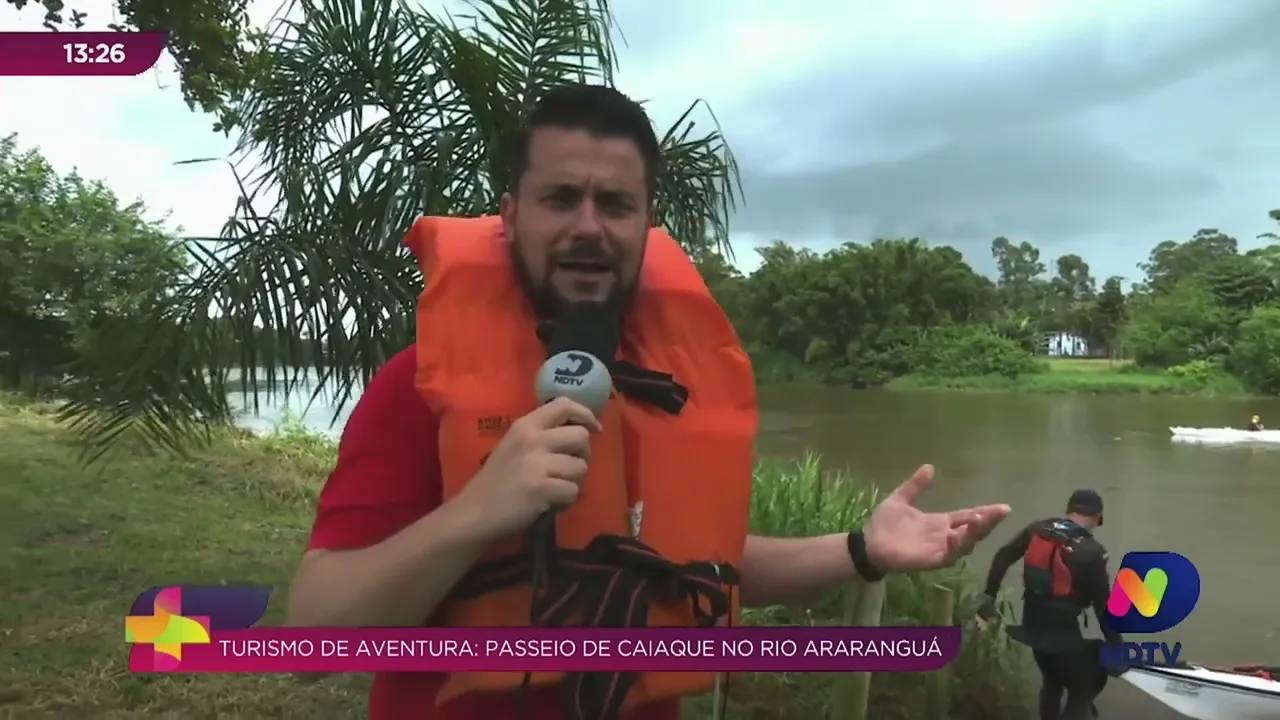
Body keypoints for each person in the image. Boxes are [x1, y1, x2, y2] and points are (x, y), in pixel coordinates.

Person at [285, 83, 1012, 720]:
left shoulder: (670, 389)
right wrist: (477, 513)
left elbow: (692, 562)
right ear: (511, 215)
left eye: (615, 204)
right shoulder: (415, 387)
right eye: (561, 198)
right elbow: (313, 639)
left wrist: (860, 549)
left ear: (643, 223)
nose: (588, 227)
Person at [975, 490, 1121, 720]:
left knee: (1053, 681)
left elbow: (1003, 556)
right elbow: (1103, 605)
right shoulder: (1092, 551)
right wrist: (1116, 645)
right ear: (1097, 517)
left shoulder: (1038, 530)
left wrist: (988, 599)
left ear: (1068, 510)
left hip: (1031, 624)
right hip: (1062, 630)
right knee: (1084, 688)